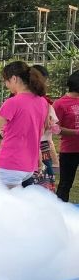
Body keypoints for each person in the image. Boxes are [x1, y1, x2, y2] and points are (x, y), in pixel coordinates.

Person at [53, 71, 79, 201]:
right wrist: (76, 132)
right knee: (65, 184)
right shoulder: (60, 103)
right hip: (70, 151)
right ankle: (59, 210)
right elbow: (55, 128)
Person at [32, 64, 60, 186]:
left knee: (44, 179)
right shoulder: (18, 99)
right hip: (27, 146)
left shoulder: (45, 101)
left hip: (42, 145)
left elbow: (51, 124)